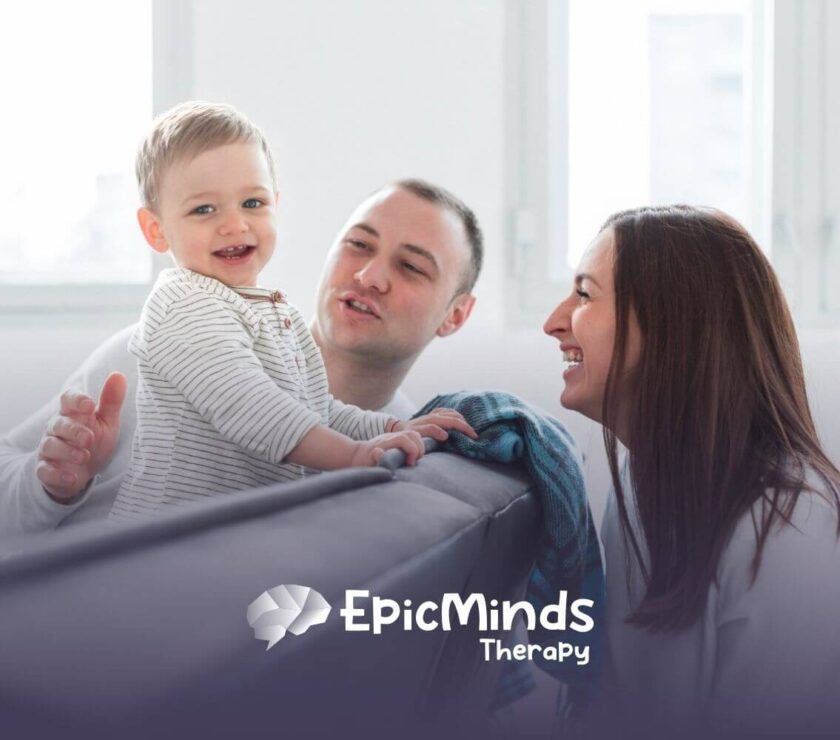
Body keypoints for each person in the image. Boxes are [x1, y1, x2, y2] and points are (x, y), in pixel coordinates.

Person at [0, 139, 482, 532]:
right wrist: (54, 487)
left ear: (455, 316)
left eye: (412, 266)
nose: (370, 275)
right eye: (358, 245)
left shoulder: (406, 450)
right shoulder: (156, 349)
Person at [543, 205, 840, 735]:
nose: (554, 321)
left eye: (585, 294)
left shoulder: (791, 524)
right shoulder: (634, 484)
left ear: (672, 324)